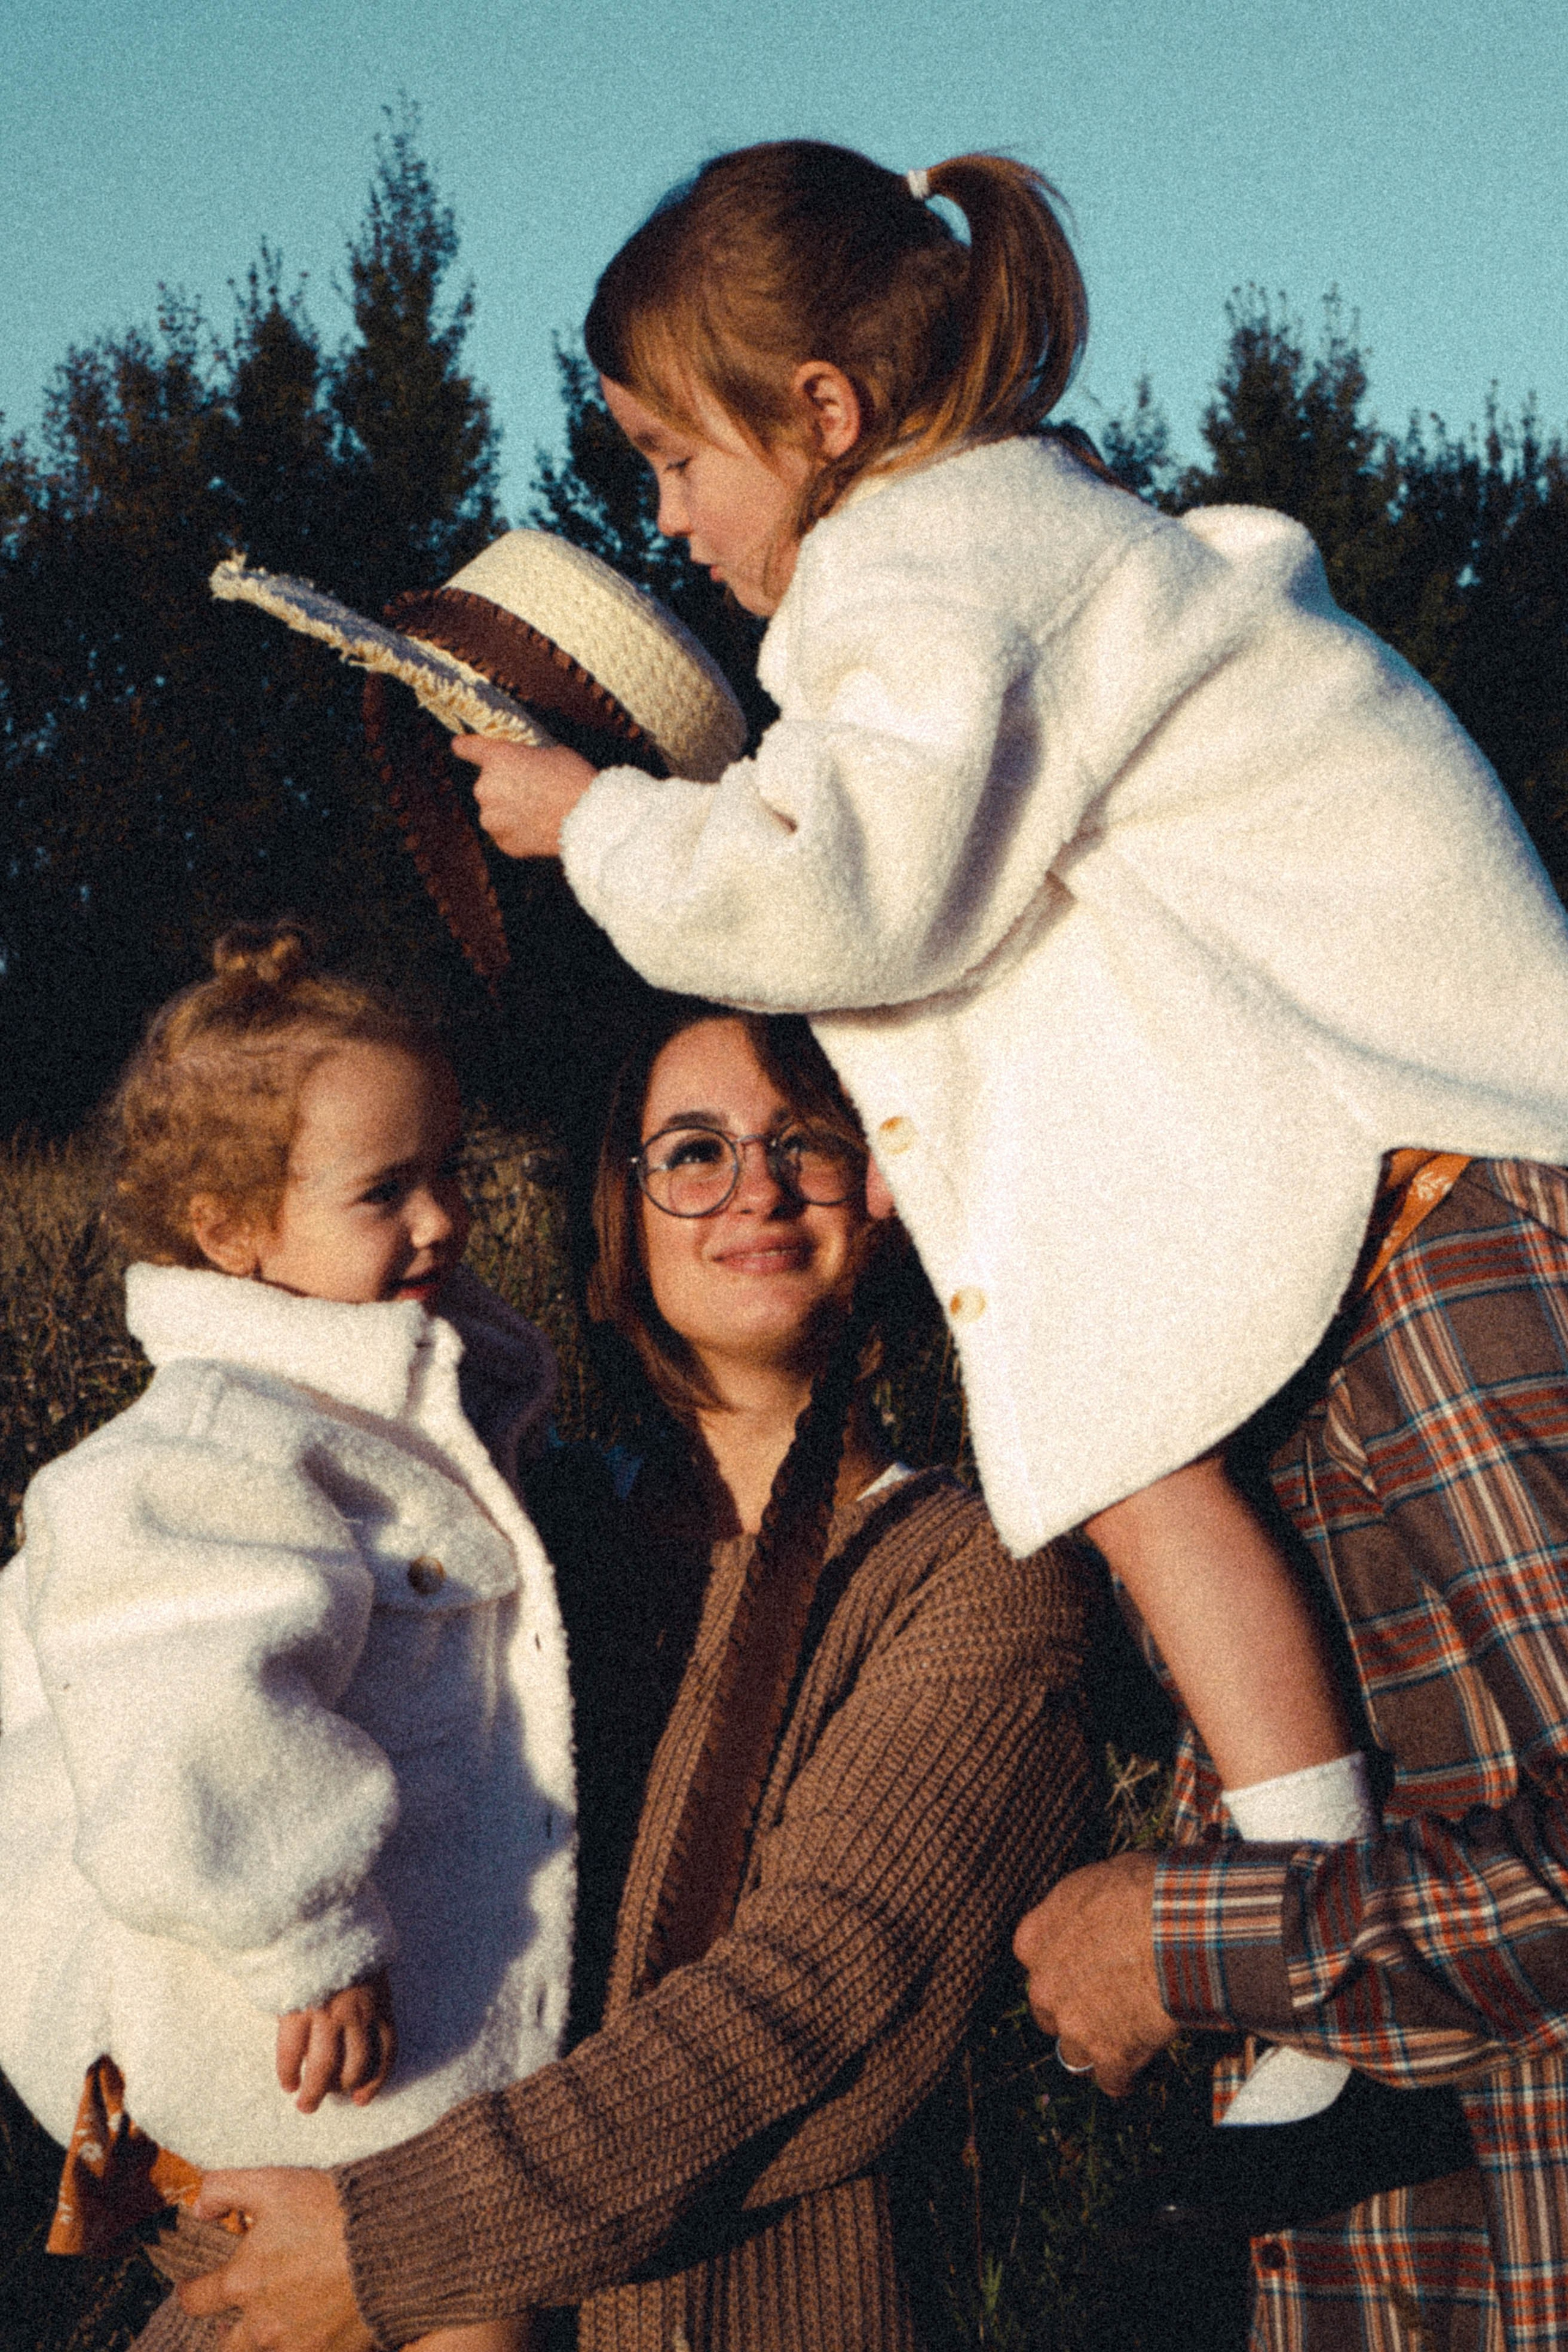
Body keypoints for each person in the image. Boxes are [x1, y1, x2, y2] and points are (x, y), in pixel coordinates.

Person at [449, 140, 1568, 2161]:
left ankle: (1291, 1927)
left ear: (823, 412)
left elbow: (848, 894)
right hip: (1391, 1186)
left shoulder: (929, 563)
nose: (667, 517)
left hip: (1452, 1194)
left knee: (1214, 1531)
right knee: (1139, 1469)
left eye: (674, 458)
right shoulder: (1006, 553)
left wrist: (592, 821)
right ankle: (1303, 1935)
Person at [175, 998, 1093, 2351]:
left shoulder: (977, 1575)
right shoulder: (493, 1534)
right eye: (694, 1152)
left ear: (889, 1190)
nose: (756, 1190)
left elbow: (819, 2007)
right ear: (623, 1218)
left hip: (724, 2312)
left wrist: (389, 2248)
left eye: (809, 1141)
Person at [0, 924, 576, 2352]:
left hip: (387, 2039)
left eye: (450, 1170)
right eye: (385, 1191)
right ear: (229, 1231)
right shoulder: (212, 1444)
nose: (441, 1219)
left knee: (460, 2302)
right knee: (453, 2308)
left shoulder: (374, 1402)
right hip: (291, 2028)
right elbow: (187, 1710)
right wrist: (305, 1931)